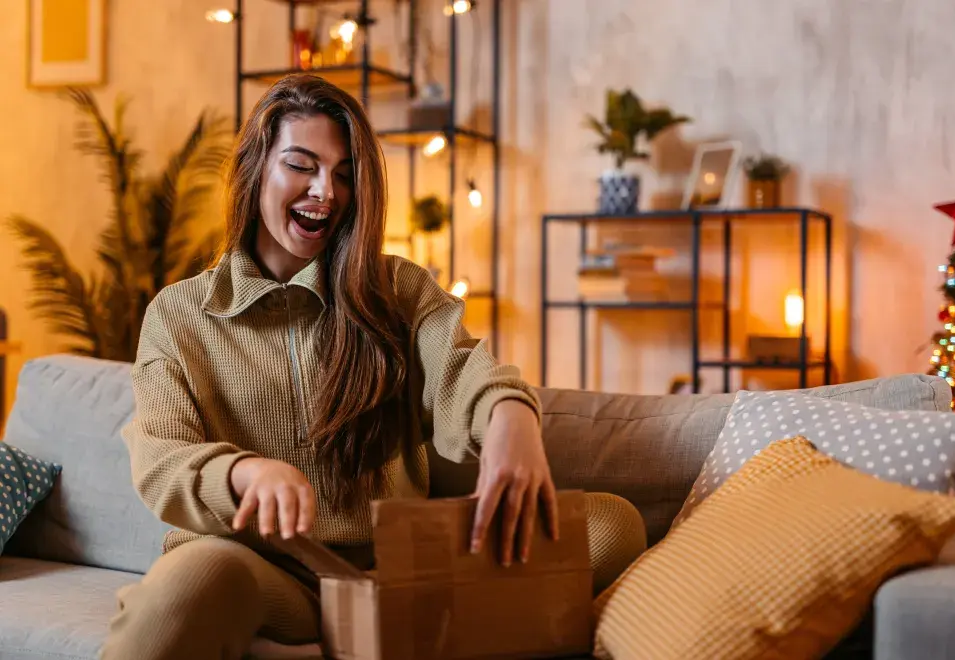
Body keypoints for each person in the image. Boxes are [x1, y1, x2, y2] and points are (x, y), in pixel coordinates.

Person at [102, 74, 646, 659]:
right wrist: (244, 474)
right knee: (191, 583)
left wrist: (512, 417)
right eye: (301, 165)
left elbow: (462, 369)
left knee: (612, 525)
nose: (325, 192)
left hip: (395, 574)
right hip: (257, 570)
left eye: (343, 175)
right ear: (257, 169)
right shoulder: (180, 313)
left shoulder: (398, 291)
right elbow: (161, 456)